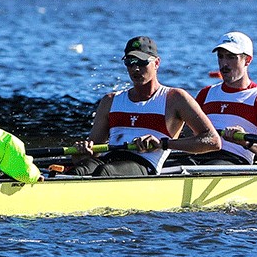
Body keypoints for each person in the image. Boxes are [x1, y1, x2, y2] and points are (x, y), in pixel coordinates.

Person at [72, 36, 221, 176]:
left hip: (144, 166)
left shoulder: (175, 99)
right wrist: (82, 151)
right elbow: (93, 152)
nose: (135, 68)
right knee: (79, 170)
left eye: (142, 62)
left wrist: (163, 144)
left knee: (105, 171)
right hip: (109, 160)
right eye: (130, 62)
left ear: (156, 63)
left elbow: (213, 141)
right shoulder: (110, 100)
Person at [186, 31, 257, 166]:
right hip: (198, 156)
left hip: (232, 160)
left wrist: (247, 142)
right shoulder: (206, 94)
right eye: (221, 57)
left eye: (231, 57)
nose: (224, 64)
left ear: (247, 60)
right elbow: (187, 133)